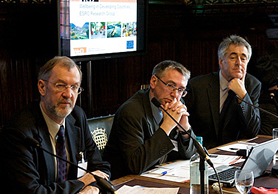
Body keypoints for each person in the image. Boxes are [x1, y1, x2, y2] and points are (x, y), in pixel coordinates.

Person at [0, 56, 110, 193]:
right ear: (42, 87)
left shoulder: (76, 116)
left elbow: (100, 169)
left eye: (74, 87)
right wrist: (81, 183)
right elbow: (32, 191)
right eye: (60, 85)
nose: (68, 94)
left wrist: (92, 188)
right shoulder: (19, 132)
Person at [103, 60, 197, 180]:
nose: (175, 95)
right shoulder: (131, 111)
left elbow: (192, 155)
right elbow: (136, 165)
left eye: (181, 90)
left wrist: (185, 129)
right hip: (126, 183)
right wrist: (167, 126)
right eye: (171, 86)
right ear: (153, 81)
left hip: (162, 177)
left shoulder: (175, 104)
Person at [184, 35, 261, 149]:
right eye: (233, 57)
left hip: (234, 152)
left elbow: (252, 131)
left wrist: (243, 95)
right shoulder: (198, 85)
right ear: (221, 62)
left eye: (243, 58)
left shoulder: (252, 85)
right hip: (201, 151)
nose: (239, 63)